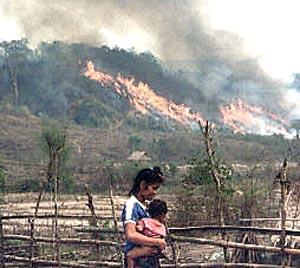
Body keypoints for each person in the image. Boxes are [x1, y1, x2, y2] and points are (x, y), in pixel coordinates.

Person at [121, 167, 166, 268]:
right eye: (154, 188)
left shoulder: (147, 206)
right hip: (138, 261)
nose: (155, 192)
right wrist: (157, 242)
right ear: (143, 185)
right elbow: (131, 234)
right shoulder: (131, 205)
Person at [127, 199, 168, 268]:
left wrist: (137, 227)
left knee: (130, 256)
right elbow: (162, 239)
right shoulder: (162, 227)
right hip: (155, 250)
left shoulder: (145, 221)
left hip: (145, 248)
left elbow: (139, 228)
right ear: (162, 214)